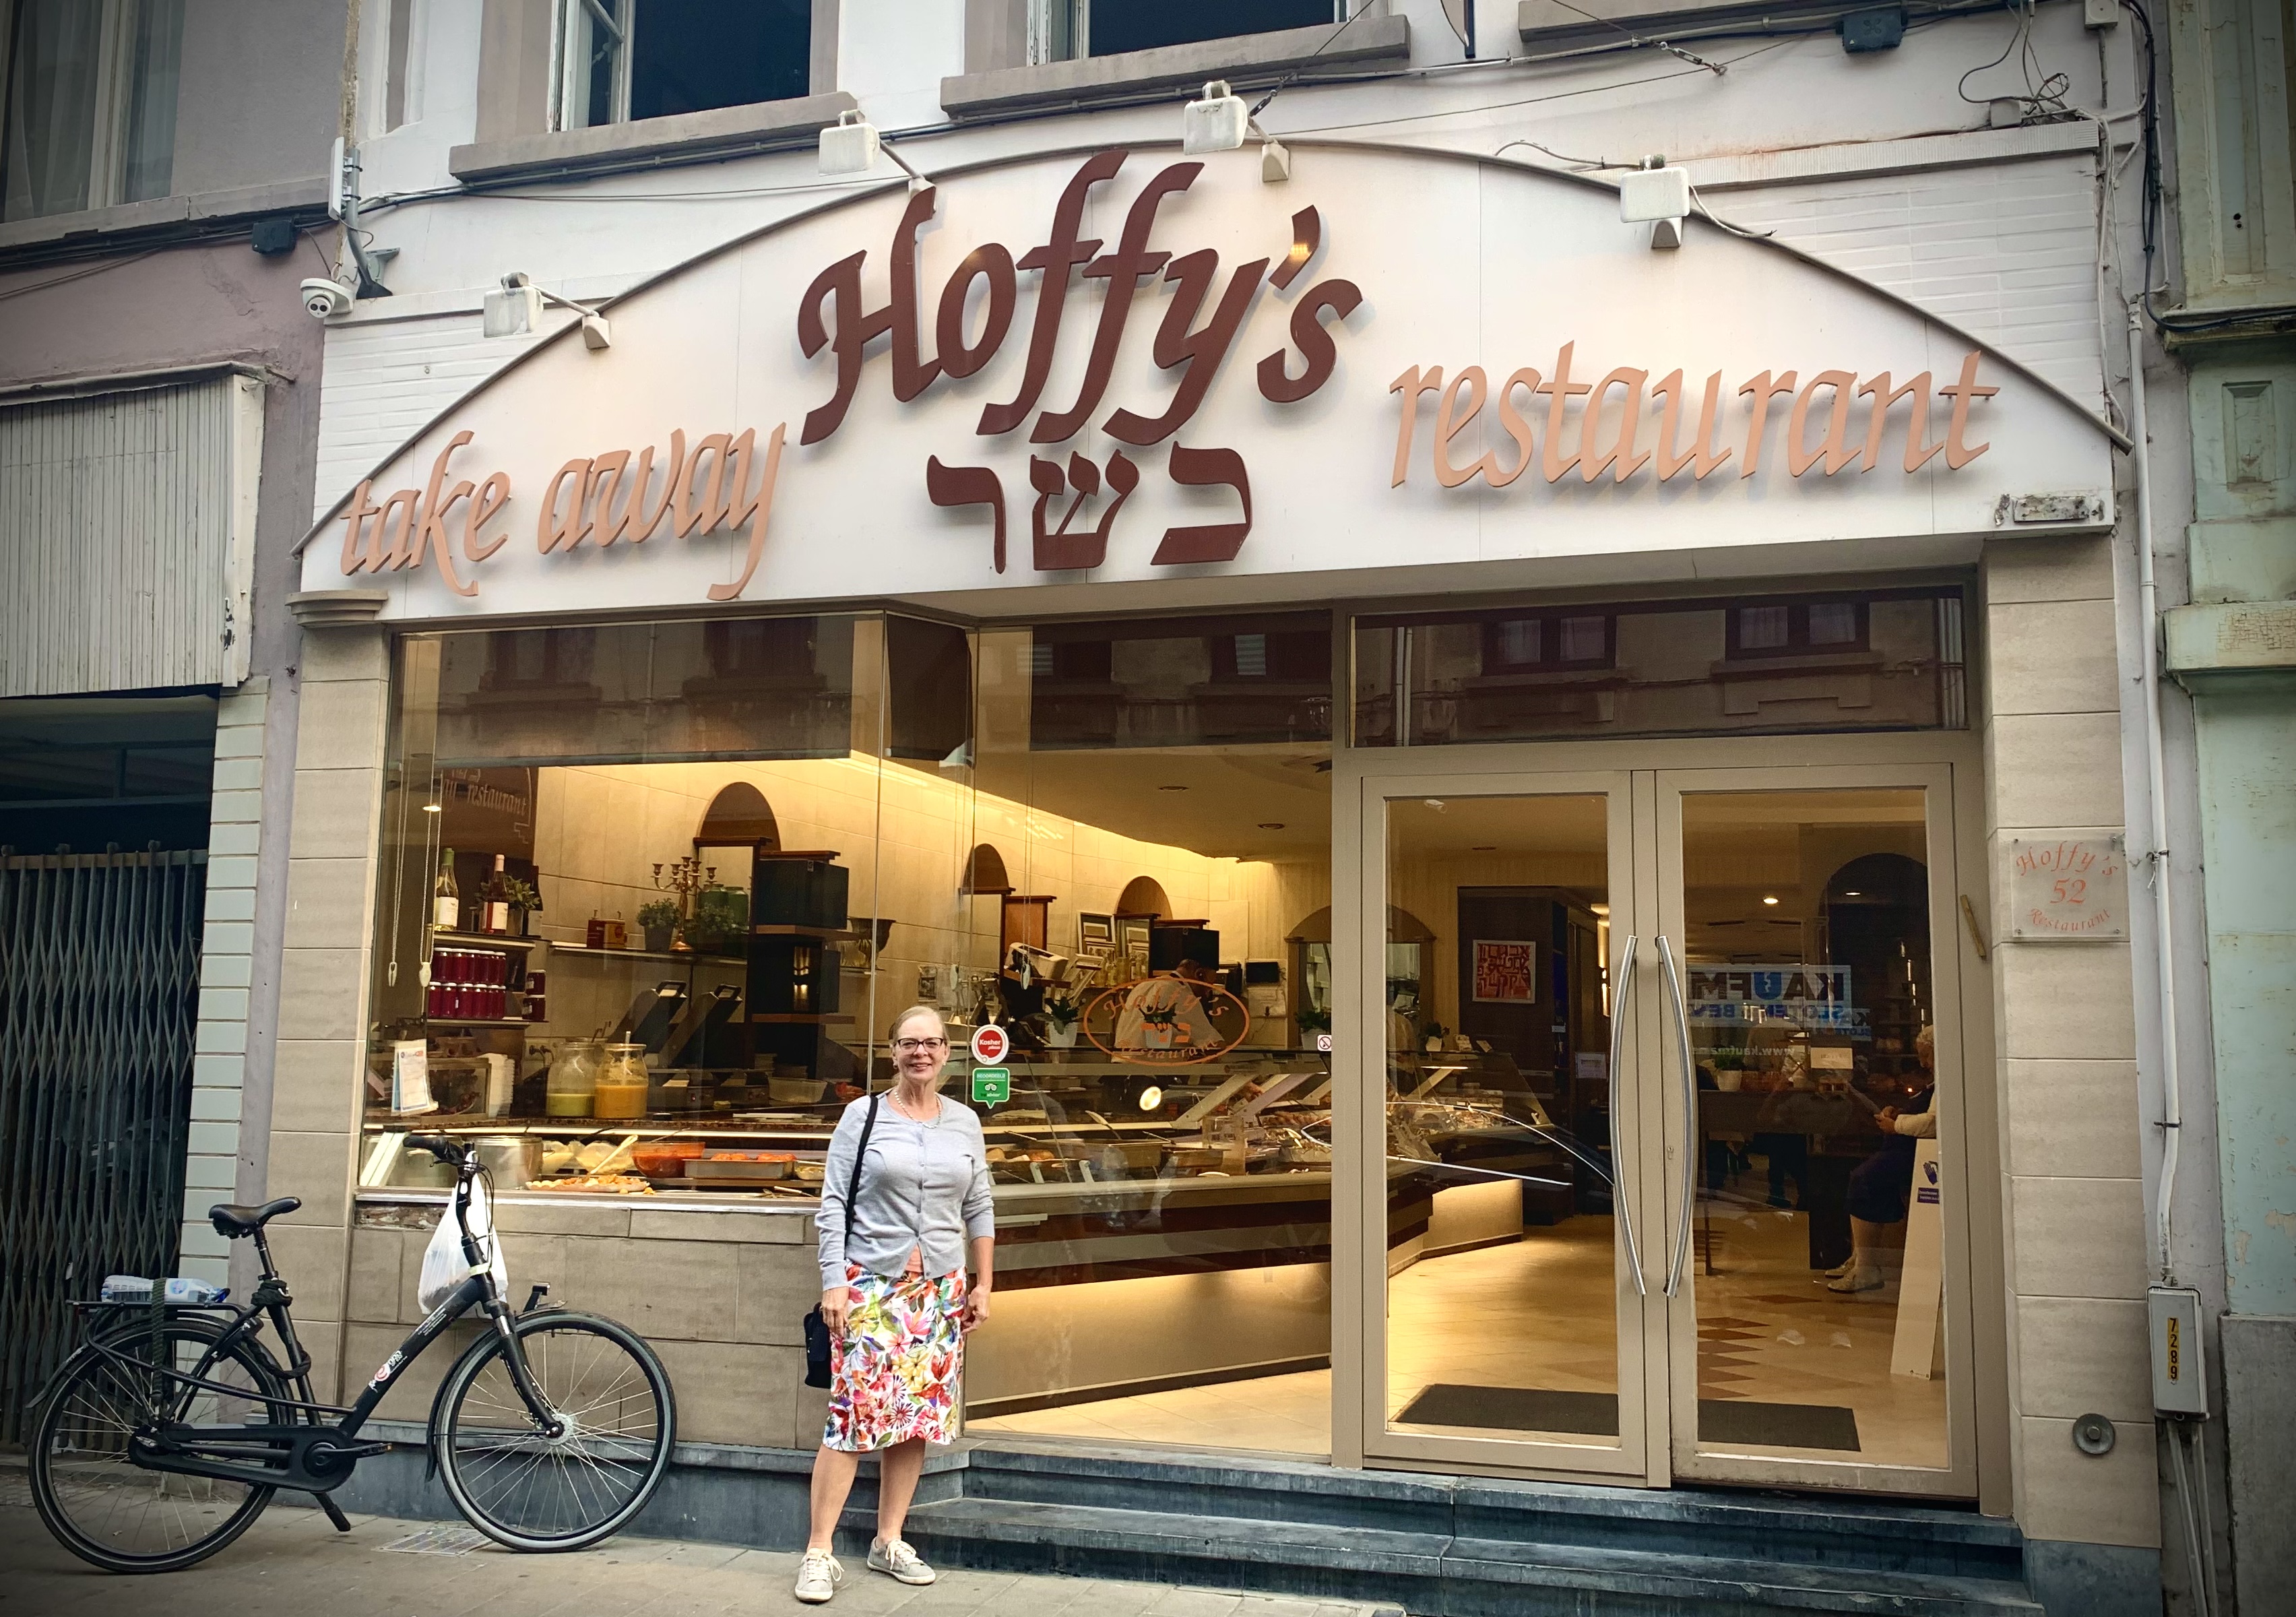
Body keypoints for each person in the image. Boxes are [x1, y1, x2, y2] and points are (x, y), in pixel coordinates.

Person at [795, 1006, 995, 1605]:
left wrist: (983, 1284)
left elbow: (979, 1205)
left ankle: (889, 1541)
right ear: (892, 1051)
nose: (921, 1053)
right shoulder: (863, 1116)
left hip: (939, 1292)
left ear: (948, 1052)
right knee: (852, 1418)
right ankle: (819, 1552)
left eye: (932, 1043)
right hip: (872, 1288)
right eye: (910, 1043)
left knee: (914, 1419)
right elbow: (833, 1203)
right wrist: (834, 1282)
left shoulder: (965, 1122)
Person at [1826, 1025, 1936, 1294]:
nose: (1923, 1063)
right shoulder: (1936, 1082)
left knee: (1864, 1179)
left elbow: (1933, 1123)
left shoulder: (1950, 1081)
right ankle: (1859, 1258)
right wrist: (1897, 1114)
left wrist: (1896, 1125)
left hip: (1918, 1154)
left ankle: (1866, 1268)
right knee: (1861, 1177)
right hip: (1903, 1148)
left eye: (1927, 1056)